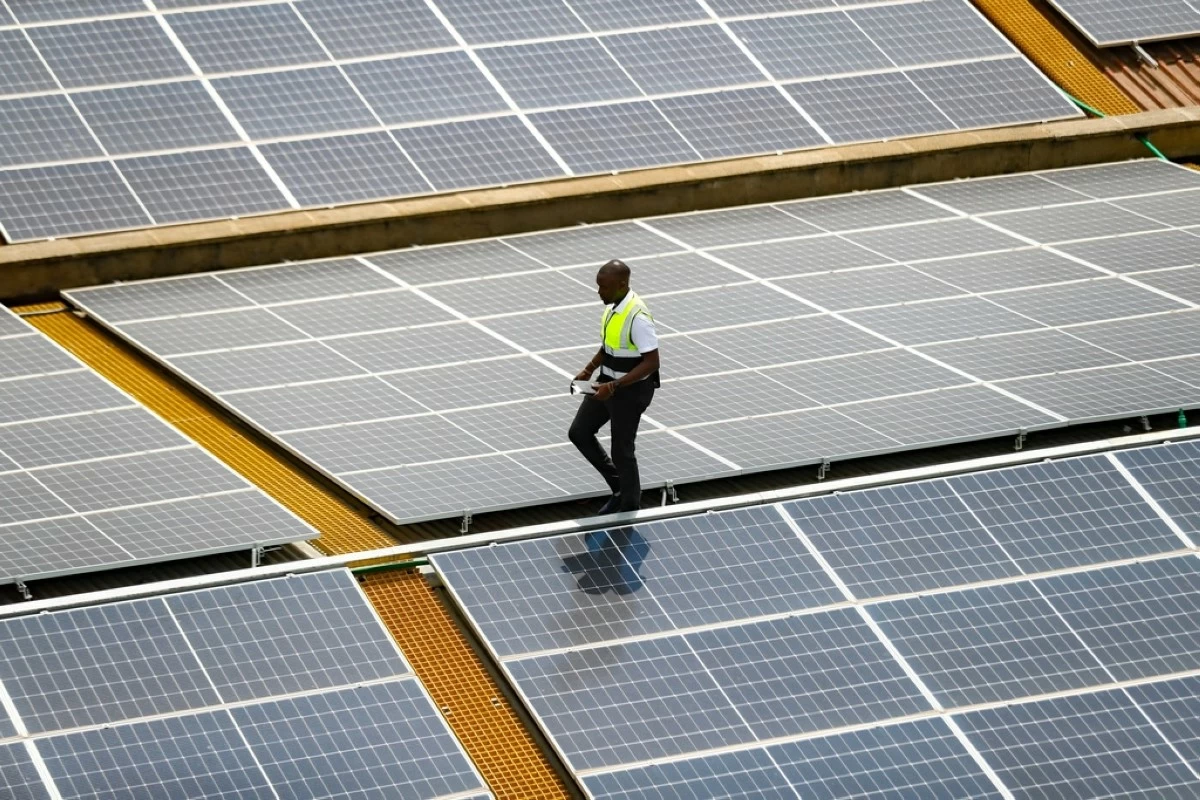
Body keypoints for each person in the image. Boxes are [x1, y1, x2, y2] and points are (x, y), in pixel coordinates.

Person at [568, 259, 660, 515]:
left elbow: (652, 362)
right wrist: (589, 368)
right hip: (605, 383)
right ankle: (620, 488)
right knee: (579, 432)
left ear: (622, 285)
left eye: (604, 287)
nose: (599, 292)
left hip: (630, 392)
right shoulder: (612, 307)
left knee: (622, 450)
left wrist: (616, 385)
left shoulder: (638, 317)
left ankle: (629, 507)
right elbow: (609, 346)